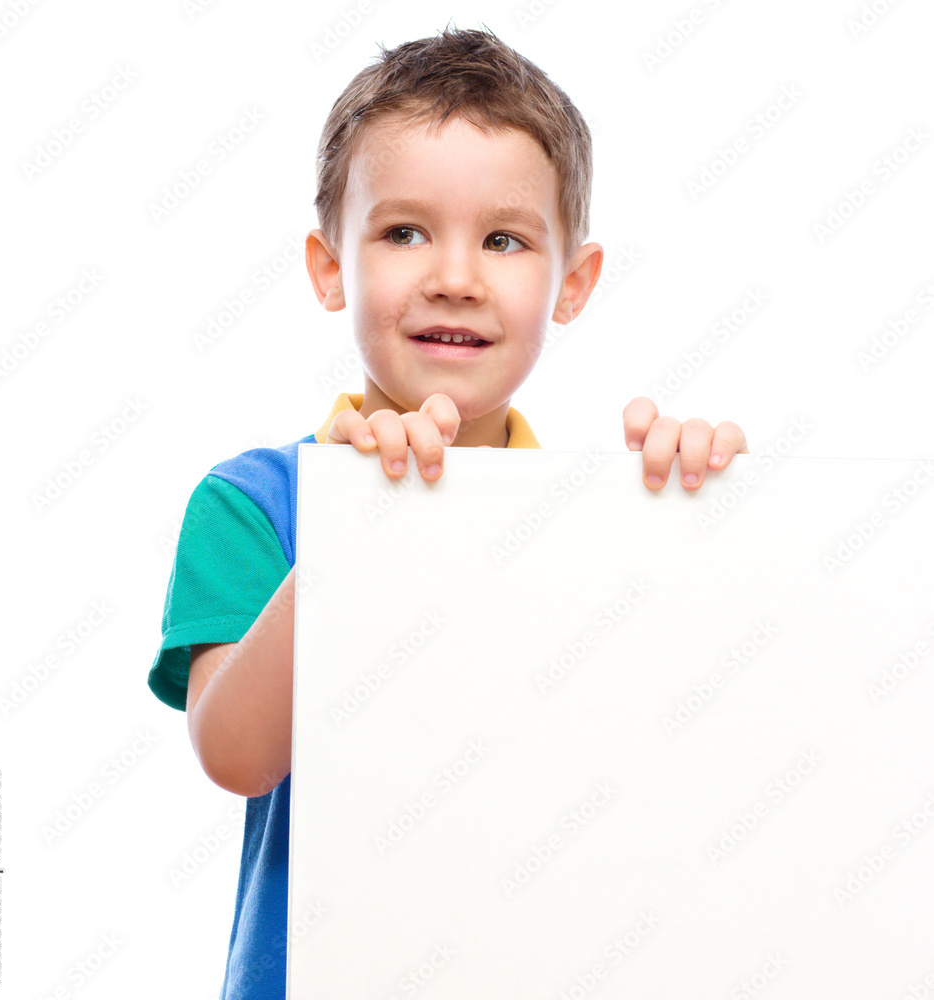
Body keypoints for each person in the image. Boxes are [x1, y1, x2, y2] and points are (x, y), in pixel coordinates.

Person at [148, 26, 747, 999]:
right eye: (403, 232)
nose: (455, 277)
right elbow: (236, 755)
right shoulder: (254, 502)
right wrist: (354, 528)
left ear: (573, 284)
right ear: (330, 267)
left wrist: (700, 525)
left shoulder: (593, 527)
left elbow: (676, 771)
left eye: (504, 240)